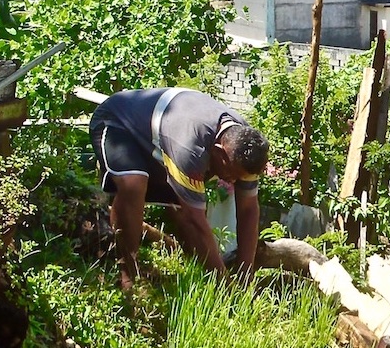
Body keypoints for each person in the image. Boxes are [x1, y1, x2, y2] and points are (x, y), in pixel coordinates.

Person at [88, 87, 269, 289]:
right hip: (117, 122)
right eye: (231, 174)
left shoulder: (246, 147)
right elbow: (196, 222)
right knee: (133, 185)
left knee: (184, 210)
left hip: (159, 140)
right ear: (219, 152)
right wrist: (226, 287)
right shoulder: (189, 147)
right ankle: (127, 273)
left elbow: (248, 209)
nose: (233, 181)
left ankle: (194, 275)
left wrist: (246, 275)